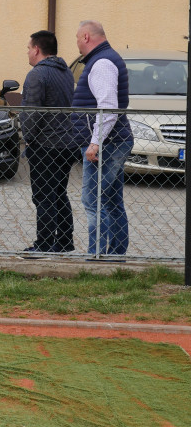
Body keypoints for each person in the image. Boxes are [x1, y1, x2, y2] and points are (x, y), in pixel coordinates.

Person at [73, 20, 132, 259]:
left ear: (86, 37)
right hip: (113, 141)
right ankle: (115, 254)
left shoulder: (102, 62)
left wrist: (95, 142)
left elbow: (107, 107)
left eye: (77, 37)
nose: (76, 42)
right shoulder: (104, 58)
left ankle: (96, 255)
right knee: (111, 199)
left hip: (107, 144)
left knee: (93, 199)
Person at [21, 31, 79, 254]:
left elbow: (31, 112)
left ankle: (44, 244)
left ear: (36, 49)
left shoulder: (37, 75)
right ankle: (64, 241)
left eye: (28, 48)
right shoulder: (65, 72)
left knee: (44, 196)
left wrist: (29, 138)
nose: (27, 52)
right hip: (67, 142)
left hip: (45, 144)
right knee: (58, 193)